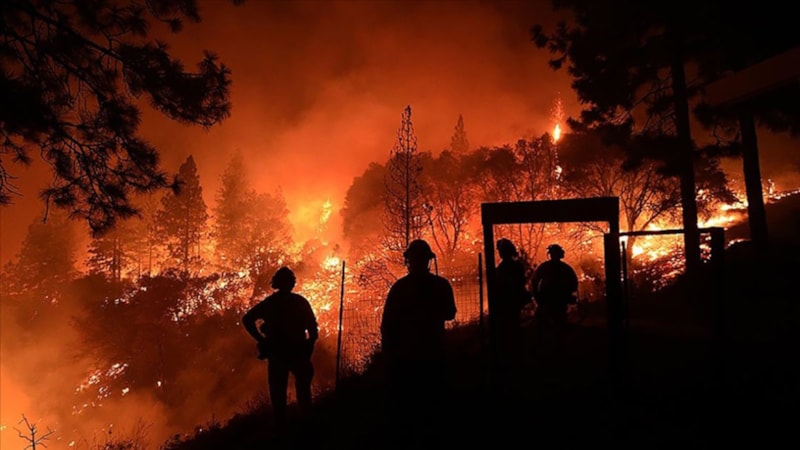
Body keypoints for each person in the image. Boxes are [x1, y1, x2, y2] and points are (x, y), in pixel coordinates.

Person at [380, 239, 457, 445]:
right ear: (428, 261)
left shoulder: (400, 288)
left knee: (408, 407)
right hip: (434, 354)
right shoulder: (440, 285)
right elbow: (450, 313)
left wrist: (388, 354)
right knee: (433, 404)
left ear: (409, 261)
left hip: (406, 358)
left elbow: (387, 325)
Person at [242, 266, 319, 429]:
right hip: (298, 352)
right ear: (292, 283)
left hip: (277, 354)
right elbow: (313, 331)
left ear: (276, 283)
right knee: (304, 393)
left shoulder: (270, 303)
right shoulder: (300, 302)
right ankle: (307, 429)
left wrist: (260, 339)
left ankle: (281, 432)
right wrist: (307, 350)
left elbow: (247, 319)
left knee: (278, 398)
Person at [531, 244, 578, 351]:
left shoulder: (545, 268)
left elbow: (534, 283)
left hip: (553, 303)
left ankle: (549, 349)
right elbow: (573, 285)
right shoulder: (564, 269)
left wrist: (538, 299)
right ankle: (553, 349)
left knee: (551, 328)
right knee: (552, 327)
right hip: (551, 303)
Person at [493, 238, 531, 372]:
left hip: (507, 305)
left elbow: (506, 286)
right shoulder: (515, 266)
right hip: (511, 304)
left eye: (501, 250)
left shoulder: (504, 268)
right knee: (512, 330)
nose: (500, 253)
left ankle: (511, 362)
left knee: (508, 333)